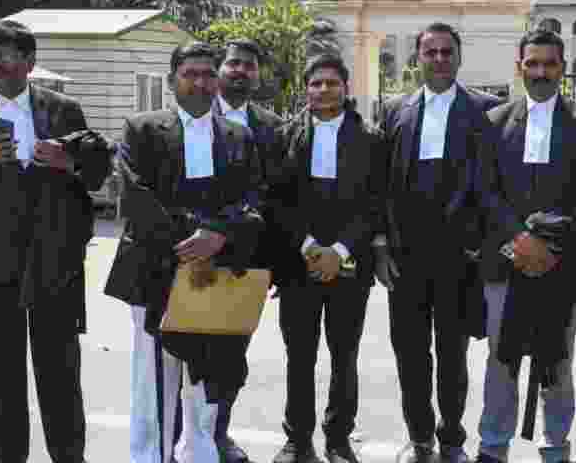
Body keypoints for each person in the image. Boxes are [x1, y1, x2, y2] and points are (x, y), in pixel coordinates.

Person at [0, 20, 112, 463]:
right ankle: (6, 455)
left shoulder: (64, 110)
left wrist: (69, 160)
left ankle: (68, 456)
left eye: (5, 55)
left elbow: (96, 174)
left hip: (56, 260)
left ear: (29, 62)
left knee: (60, 370)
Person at [105, 41, 264, 463]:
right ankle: (151, 457)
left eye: (208, 74)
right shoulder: (141, 128)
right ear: (172, 79)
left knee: (206, 382)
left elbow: (253, 199)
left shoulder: (238, 135)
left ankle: (200, 454)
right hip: (155, 268)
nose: (200, 82)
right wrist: (196, 243)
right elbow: (136, 198)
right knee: (156, 380)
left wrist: (220, 236)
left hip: (216, 274)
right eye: (190, 74)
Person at [475, 29, 576, 463]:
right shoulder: (495, 120)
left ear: (562, 68)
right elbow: (486, 190)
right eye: (532, 63)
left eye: (549, 64)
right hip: (506, 259)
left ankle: (555, 447)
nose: (540, 72)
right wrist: (520, 239)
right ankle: (493, 446)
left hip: (562, 263)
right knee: (502, 360)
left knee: (557, 360)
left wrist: (551, 246)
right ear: (520, 67)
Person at [376, 22, 499, 463]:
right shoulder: (395, 110)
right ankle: (420, 438)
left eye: (448, 52)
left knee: (452, 354)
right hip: (406, 255)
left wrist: (482, 244)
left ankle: (451, 440)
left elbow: (494, 185)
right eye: (431, 52)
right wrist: (381, 245)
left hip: (459, 257)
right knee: (410, 354)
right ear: (418, 58)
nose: (440, 59)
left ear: (459, 57)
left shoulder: (486, 110)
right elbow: (380, 184)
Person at [268, 54, 385, 463]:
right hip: (297, 263)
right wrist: (307, 247)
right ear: (306, 89)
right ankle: (297, 439)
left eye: (331, 83)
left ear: (345, 88)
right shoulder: (286, 136)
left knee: (344, 355)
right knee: (299, 356)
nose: (323, 90)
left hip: (350, 263)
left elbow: (375, 203)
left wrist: (340, 251)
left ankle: (338, 439)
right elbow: (278, 201)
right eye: (316, 83)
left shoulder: (371, 138)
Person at [212, 38, 286, 463]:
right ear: (220, 69)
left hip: (247, 263)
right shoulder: (193, 116)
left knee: (232, 357)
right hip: (195, 254)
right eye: (234, 63)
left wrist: (273, 263)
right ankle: (183, 437)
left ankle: (218, 433)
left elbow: (280, 198)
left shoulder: (272, 127)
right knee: (187, 355)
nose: (241, 71)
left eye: (249, 65)